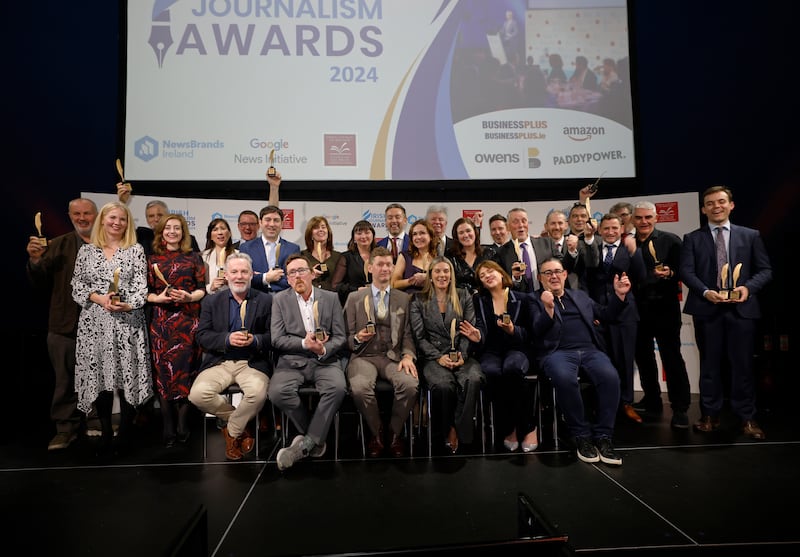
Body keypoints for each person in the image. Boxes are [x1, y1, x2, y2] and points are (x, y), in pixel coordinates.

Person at [680, 185, 772, 440]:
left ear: (731, 205)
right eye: (710, 203)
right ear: (703, 209)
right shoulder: (692, 238)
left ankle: (747, 418)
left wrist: (748, 288)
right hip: (707, 309)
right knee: (709, 365)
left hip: (741, 310)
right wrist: (705, 291)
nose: (716, 206)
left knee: (742, 366)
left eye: (721, 201)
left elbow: (765, 270)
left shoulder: (750, 235)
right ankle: (709, 415)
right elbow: (687, 272)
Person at [71, 201, 153, 458]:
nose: (117, 223)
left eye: (123, 219)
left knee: (124, 379)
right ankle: (106, 434)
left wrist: (126, 305)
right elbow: (77, 285)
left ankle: (125, 436)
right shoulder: (87, 251)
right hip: (95, 325)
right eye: (113, 218)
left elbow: (142, 289)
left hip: (127, 323)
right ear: (103, 220)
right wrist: (100, 299)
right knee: (102, 381)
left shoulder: (135, 250)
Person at [531, 257, 632, 466]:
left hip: (589, 350)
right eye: (547, 273)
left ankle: (604, 437)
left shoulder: (580, 296)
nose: (553, 276)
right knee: (564, 378)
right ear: (540, 278)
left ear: (565, 274)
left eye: (557, 271)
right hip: (557, 353)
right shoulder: (533, 299)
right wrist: (548, 309)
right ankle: (582, 436)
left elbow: (606, 315)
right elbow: (535, 330)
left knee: (610, 378)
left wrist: (619, 296)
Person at [26, 198, 98, 450]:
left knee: (95, 378)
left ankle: (94, 421)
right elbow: (39, 283)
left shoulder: (108, 244)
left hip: (99, 325)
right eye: (76, 214)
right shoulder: (57, 245)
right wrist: (35, 261)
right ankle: (65, 429)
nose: (82, 218)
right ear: (69, 216)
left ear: (95, 214)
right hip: (64, 325)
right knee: (64, 380)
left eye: (87, 213)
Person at [188, 252, 272, 460]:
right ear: (226, 275)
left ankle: (232, 432)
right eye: (234, 271)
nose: (239, 276)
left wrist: (256, 340)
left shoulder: (265, 301)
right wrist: (226, 339)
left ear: (252, 274)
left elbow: (273, 337)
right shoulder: (211, 302)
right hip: (220, 361)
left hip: (252, 362)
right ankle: (241, 425)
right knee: (197, 395)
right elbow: (202, 336)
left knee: (257, 394)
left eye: (244, 271)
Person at [271, 254, 348, 470]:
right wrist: (305, 344)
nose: (297, 276)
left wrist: (323, 348)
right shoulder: (279, 300)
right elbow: (277, 339)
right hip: (292, 360)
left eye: (302, 271)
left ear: (312, 274)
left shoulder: (331, 298)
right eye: (292, 273)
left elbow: (341, 337)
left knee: (337, 387)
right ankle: (314, 439)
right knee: (276, 392)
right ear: (287, 279)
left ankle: (302, 446)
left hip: (324, 359)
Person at [344, 247, 418, 458]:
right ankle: (377, 433)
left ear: (393, 268)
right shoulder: (354, 299)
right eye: (380, 264)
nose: (385, 268)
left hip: (393, 356)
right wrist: (357, 338)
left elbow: (408, 335)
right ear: (370, 268)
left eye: (388, 265)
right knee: (359, 388)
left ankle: (394, 433)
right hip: (363, 356)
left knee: (410, 385)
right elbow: (345, 337)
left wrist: (407, 355)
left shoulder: (403, 299)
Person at [409, 257, 485, 453]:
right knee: (443, 386)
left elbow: (469, 329)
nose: (442, 275)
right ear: (431, 276)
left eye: (446, 271)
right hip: (433, 357)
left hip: (461, 353)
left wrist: (463, 354)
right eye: (437, 272)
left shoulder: (463, 295)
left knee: (473, 379)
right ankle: (448, 428)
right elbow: (419, 337)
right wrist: (437, 356)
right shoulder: (418, 299)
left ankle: (461, 428)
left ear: (451, 275)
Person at [146, 214, 206, 447]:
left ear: (183, 233)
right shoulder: (151, 259)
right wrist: (157, 298)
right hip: (161, 323)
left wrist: (190, 296)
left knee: (185, 372)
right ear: (161, 231)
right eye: (168, 228)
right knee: (163, 374)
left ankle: (183, 423)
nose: (172, 231)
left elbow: (202, 289)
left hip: (188, 321)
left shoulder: (194, 258)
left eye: (177, 228)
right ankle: (167, 425)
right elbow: (145, 292)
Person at [631, 201, 691, 428]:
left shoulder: (671, 241)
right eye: (639, 218)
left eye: (648, 217)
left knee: (672, 359)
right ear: (633, 220)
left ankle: (680, 408)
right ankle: (652, 400)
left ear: (656, 218)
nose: (643, 222)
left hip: (665, 311)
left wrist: (672, 272)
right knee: (644, 360)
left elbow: (685, 271)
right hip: (638, 312)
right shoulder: (628, 243)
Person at [582, 213, 646, 424]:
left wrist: (635, 252)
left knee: (625, 360)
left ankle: (626, 403)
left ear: (621, 229)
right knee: (601, 363)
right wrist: (592, 312)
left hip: (625, 315)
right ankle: (603, 404)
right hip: (599, 313)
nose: (610, 232)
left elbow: (642, 277)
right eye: (606, 228)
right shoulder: (591, 249)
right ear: (600, 230)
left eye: (614, 228)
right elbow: (586, 283)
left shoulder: (631, 249)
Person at [469, 260, 538, 452]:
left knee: (513, 369)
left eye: (490, 271)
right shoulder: (479, 301)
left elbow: (530, 334)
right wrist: (478, 336)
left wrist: (513, 330)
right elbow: (481, 328)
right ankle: (510, 428)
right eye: (482, 276)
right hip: (491, 350)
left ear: (501, 273)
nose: (487, 276)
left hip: (517, 348)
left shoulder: (523, 298)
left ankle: (528, 426)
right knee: (491, 372)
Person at [116, 183, 200, 254]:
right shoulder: (141, 236)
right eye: (151, 216)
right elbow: (121, 228)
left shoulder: (189, 239)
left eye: (160, 215)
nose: (156, 219)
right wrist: (122, 203)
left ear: (168, 216)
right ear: (147, 219)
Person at [494, 207, 562, 293]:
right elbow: (500, 284)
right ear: (507, 227)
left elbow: (563, 264)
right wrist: (515, 278)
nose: (521, 225)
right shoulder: (501, 253)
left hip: (547, 297)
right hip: (520, 301)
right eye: (515, 222)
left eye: (524, 221)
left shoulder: (546, 243)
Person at [238, 205, 300, 293]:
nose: (272, 224)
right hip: (256, 298)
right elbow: (244, 277)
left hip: (284, 298)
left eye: (276, 220)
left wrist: (261, 277)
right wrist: (266, 277)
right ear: (260, 222)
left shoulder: (292, 249)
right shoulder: (246, 248)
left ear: (282, 224)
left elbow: (294, 278)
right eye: (267, 220)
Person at [331, 219, 377, 306]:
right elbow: (335, 286)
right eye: (359, 233)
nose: (363, 236)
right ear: (354, 238)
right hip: (354, 303)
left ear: (373, 235)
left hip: (377, 302)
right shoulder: (346, 257)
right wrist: (356, 289)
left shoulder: (380, 255)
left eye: (367, 232)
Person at [233, 169, 282, 248]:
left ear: (259, 225)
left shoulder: (265, 245)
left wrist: (274, 187)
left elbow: (272, 211)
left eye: (252, 224)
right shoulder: (229, 250)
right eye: (243, 224)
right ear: (238, 226)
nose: (247, 227)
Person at [391, 219, 439, 295]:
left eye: (422, 233)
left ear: (431, 236)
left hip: (433, 301)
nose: (418, 237)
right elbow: (393, 284)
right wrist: (412, 280)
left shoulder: (438, 258)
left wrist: (428, 280)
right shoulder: (404, 256)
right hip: (409, 302)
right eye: (415, 234)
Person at [448, 216, 493, 295]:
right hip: (460, 302)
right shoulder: (450, 255)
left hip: (486, 301)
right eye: (461, 233)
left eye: (468, 231)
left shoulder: (489, 253)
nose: (466, 235)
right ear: (456, 236)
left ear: (475, 232)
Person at [300, 215, 342, 292]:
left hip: (332, 299)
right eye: (316, 228)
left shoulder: (338, 257)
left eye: (323, 227)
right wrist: (310, 275)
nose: (320, 230)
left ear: (328, 232)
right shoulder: (302, 256)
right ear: (310, 234)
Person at [200, 217, 238, 295]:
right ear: (210, 236)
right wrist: (211, 287)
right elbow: (198, 285)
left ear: (229, 233)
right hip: (211, 299)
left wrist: (231, 283)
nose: (220, 232)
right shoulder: (202, 257)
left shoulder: (239, 256)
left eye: (223, 228)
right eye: (215, 230)